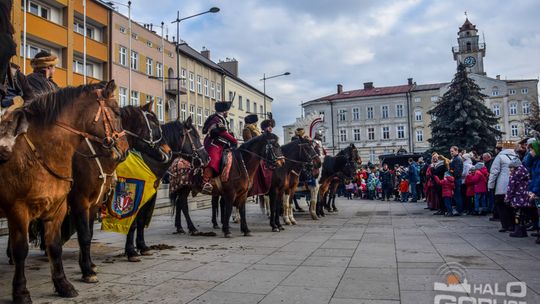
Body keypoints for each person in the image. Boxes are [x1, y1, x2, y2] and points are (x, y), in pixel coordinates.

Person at [201, 101, 238, 194]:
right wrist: (233, 140)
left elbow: (227, 132)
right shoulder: (216, 119)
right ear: (224, 111)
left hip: (223, 144)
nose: (228, 113)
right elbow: (222, 133)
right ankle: (206, 181)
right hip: (213, 144)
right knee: (214, 159)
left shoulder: (222, 119)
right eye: (227, 111)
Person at [488, 141, 518, 233]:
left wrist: (490, 185)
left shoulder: (500, 157)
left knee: (500, 204)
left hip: (502, 185)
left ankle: (505, 225)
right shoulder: (516, 157)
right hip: (514, 185)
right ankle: (513, 225)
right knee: (511, 206)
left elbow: (494, 172)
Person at [505, 158, 530, 238]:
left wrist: (507, 197)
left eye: (511, 167)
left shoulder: (514, 175)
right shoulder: (525, 172)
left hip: (517, 198)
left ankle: (518, 231)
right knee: (522, 215)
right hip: (524, 196)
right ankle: (523, 231)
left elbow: (511, 188)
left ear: (515, 167)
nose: (510, 169)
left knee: (517, 215)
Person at [449, 146, 464, 215]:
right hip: (456, 179)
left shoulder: (457, 159)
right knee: (456, 195)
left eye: (452, 151)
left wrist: (451, 172)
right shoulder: (455, 158)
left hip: (457, 179)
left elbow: (457, 171)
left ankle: (459, 210)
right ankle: (458, 209)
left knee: (457, 195)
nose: (451, 153)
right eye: (450, 151)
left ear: (456, 151)